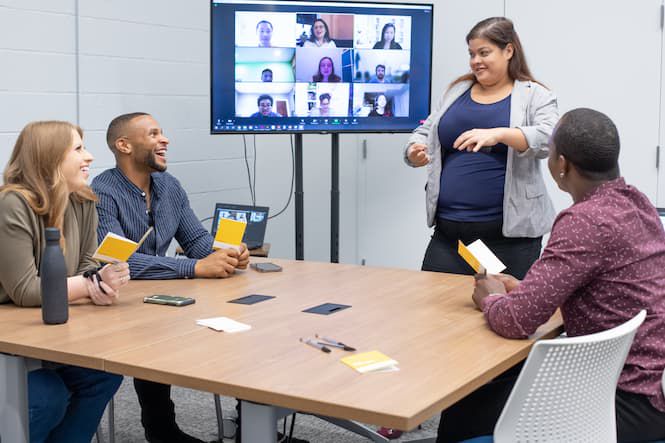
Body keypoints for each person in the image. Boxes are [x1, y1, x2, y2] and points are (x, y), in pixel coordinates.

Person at [438, 108, 665, 442]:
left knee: (470, 402)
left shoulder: (583, 221)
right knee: (495, 388)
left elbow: (515, 322)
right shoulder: (636, 202)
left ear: (562, 164)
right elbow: (603, 287)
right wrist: (526, 290)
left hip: (619, 400)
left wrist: (491, 297)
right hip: (648, 384)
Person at [92, 113, 250, 443]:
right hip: (114, 304)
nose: (165, 140)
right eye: (153, 134)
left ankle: (252, 424)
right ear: (124, 145)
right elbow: (120, 263)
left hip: (160, 299)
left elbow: (196, 242)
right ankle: (161, 430)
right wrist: (194, 268)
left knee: (240, 322)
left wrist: (226, 253)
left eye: (162, 133)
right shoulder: (103, 192)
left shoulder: (169, 186)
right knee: (150, 336)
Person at [0, 121, 128, 443]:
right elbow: (26, 289)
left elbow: (86, 265)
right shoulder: (12, 204)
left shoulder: (83, 200)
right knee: (47, 394)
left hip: (46, 331)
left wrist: (100, 285)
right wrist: (88, 286)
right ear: (49, 156)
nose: (90, 157)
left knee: (103, 375)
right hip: (9, 341)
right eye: (78, 149)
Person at [404, 17, 558, 280]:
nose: (476, 60)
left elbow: (551, 138)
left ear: (508, 51)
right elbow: (425, 130)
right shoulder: (456, 91)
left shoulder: (535, 95)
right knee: (431, 313)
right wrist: (414, 150)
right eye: (472, 54)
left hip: (509, 241)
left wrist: (499, 134)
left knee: (505, 315)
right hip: (450, 238)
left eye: (484, 52)